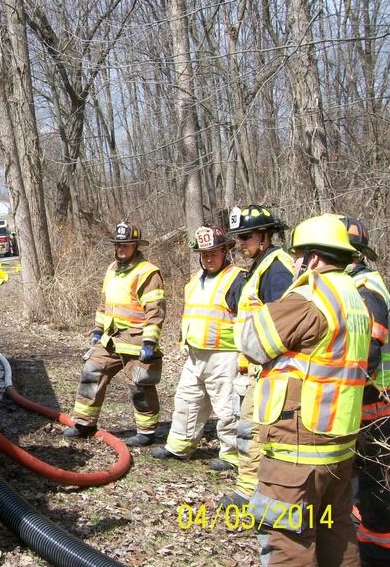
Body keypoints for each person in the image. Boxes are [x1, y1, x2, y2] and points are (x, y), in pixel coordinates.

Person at [239, 214, 369, 567]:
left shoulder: (311, 297)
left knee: (287, 542)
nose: (293, 263)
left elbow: (251, 341)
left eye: (297, 256)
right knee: (336, 532)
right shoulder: (353, 298)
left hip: (297, 451)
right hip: (338, 445)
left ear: (312, 259)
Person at [64, 221, 166, 447]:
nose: (122, 249)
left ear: (136, 246)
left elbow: (155, 311)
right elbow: (104, 303)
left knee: (139, 383)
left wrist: (150, 342)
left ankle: (147, 431)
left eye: (127, 245)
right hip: (111, 338)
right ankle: (84, 422)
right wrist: (98, 331)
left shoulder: (147, 273)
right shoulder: (112, 269)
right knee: (92, 369)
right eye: (119, 245)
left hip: (137, 340)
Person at [150, 224, 244, 470]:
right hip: (194, 354)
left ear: (225, 251)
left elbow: (248, 320)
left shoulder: (238, 279)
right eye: (204, 253)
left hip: (225, 355)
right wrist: (183, 339)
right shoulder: (194, 282)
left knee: (227, 408)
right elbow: (189, 315)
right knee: (186, 400)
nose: (209, 257)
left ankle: (231, 455)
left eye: (213, 252)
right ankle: (180, 446)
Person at [220, 204, 294, 509]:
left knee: (252, 428)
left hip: (273, 369)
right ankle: (251, 487)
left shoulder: (277, 268)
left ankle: (251, 491)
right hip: (256, 368)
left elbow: (284, 320)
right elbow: (234, 302)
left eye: (246, 237)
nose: (241, 244)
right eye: (238, 238)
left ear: (266, 236)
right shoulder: (259, 267)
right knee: (250, 427)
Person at [341, 216, 390, 567]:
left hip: (377, 403)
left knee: (377, 483)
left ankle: (379, 552)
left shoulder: (366, 290)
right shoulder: (351, 286)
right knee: (360, 481)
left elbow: (369, 351)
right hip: (364, 402)